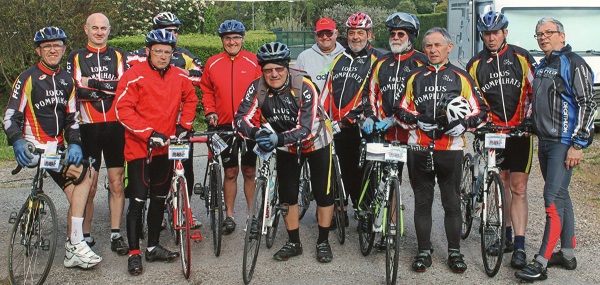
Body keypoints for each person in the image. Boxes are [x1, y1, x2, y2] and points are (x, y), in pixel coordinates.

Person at [3, 26, 102, 269]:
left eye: (57, 45)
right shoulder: (27, 78)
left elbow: (71, 119)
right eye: (47, 46)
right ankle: (75, 242)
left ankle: (75, 245)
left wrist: (76, 144)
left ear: (64, 49)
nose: (52, 50)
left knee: (84, 177)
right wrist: (16, 140)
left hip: (55, 151)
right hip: (32, 148)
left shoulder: (68, 80)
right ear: (38, 50)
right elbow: (9, 116)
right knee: (80, 182)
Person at [397, 27, 488, 274]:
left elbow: (481, 112)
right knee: (422, 202)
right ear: (423, 48)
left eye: (438, 45)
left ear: (449, 47)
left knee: (451, 202)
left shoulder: (461, 77)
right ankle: (423, 251)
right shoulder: (414, 76)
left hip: (450, 149)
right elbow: (401, 110)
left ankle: (455, 252)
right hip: (419, 147)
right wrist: (416, 121)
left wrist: (464, 124)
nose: (433, 50)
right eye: (428, 46)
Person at [234, 42, 336, 263]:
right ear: (262, 70)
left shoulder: (304, 85)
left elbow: (306, 128)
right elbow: (240, 118)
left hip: (316, 141)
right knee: (287, 195)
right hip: (285, 144)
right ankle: (293, 243)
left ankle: (323, 241)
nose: (274, 74)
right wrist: (255, 133)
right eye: (268, 69)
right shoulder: (257, 87)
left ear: (287, 67)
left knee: (323, 193)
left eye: (279, 68)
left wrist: (277, 138)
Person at [515, 17, 596, 282]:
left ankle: (541, 261)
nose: (543, 37)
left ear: (562, 35)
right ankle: (568, 254)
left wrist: (578, 144)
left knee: (551, 200)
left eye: (549, 32)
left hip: (564, 144)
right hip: (545, 142)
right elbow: (537, 101)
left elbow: (587, 103)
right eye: (539, 34)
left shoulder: (573, 63)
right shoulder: (543, 65)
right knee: (562, 196)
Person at [115, 29, 199, 275]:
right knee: (139, 199)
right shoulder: (133, 76)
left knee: (159, 199)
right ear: (148, 51)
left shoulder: (179, 76)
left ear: (173, 53)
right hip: (140, 148)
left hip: (167, 148)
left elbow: (191, 99)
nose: (163, 56)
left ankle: (152, 247)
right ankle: (134, 253)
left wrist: (185, 125)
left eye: (167, 52)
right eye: (158, 51)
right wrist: (149, 133)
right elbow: (122, 110)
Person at [466, 9, 536, 269]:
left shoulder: (521, 56)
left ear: (505, 32)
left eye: (495, 32)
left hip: (520, 132)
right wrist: (480, 123)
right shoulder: (475, 64)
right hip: (494, 133)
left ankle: (519, 245)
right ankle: (505, 236)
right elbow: (473, 99)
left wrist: (529, 120)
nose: (491, 38)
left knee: (518, 186)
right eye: (486, 34)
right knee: (501, 182)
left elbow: (533, 90)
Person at [128, 11, 204, 228]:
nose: (172, 34)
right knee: (150, 177)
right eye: (167, 30)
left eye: (175, 31)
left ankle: (183, 210)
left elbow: (200, 74)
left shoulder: (184, 55)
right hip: (149, 125)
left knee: (185, 169)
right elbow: (126, 72)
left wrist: (179, 75)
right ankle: (156, 213)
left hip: (178, 124)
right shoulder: (140, 54)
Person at [66, 13, 129, 255]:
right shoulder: (76, 56)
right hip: (88, 128)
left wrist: (93, 84)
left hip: (115, 127)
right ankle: (85, 235)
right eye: (95, 28)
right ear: (86, 29)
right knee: (88, 185)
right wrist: (105, 87)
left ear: (109, 31)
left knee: (116, 183)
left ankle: (116, 234)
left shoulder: (118, 55)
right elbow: (75, 88)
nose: (99, 32)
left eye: (103, 28)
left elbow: (123, 87)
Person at [320, 12, 384, 225]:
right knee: (341, 169)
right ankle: (342, 209)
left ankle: (364, 211)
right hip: (337, 127)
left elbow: (373, 95)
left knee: (364, 173)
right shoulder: (339, 58)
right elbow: (327, 91)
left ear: (370, 34)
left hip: (361, 127)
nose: (355, 37)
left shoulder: (377, 60)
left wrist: (350, 118)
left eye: (360, 32)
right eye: (351, 32)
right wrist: (321, 115)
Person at [200, 19, 262, 235]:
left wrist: (259, 119)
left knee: (249, 170)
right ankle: (229, 216)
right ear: (222, 40)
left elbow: (261, 92)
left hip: (248, 124)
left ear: (243, 39)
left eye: (236, 37)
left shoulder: (254, 61)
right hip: (223, 124)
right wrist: (210, 111)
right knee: (230, 171)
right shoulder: (213, 63)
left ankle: (252, 216)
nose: (232, 41)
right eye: (228, 38)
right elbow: (206, 90)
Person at [295, 17, 345, 92]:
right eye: (320, 34)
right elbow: (297, 86)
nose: (325, 37)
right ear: (315, 35)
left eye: (329, 33)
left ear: (336, 33)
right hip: (313, 103)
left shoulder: (347, 56)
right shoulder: (304, 58)